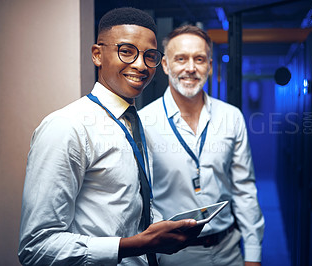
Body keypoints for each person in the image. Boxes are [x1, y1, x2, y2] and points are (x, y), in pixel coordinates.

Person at [18, 8, 202, 266]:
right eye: (126, 51)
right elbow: (36, 247)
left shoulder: (135, 124)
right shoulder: (67, 126)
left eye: (149, 56)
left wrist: (164, 228)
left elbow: (130, 207)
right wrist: (137, 245)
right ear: (97, 54)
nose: (140, 65)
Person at [139, 25, 265, 266]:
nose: (190, 68)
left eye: (199, 59)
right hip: (174, 255)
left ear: (209, 65)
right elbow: (141, 201)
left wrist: (253, 254)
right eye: (181, 59)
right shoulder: (144, 123)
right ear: (165, 65)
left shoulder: (232, 117)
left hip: (229, 250)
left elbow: (244, 189)